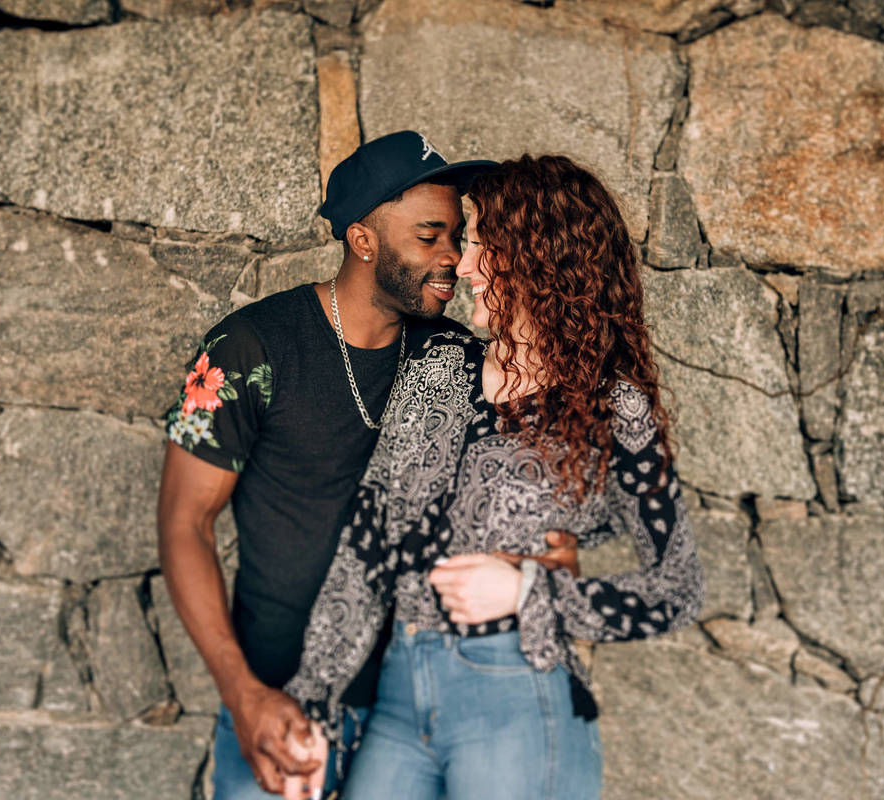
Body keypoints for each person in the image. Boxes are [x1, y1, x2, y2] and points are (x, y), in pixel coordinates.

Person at [156, 131, 579, 799]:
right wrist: (242, 694)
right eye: (430, 237)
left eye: (458, 236)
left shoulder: (463, 361)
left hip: (419, 711)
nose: (454, 257)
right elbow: (185, 524)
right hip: (281, 705)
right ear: (363, 241)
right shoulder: (249, 348)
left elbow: (541, 531)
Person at [283, 155, 705, 800]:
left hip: (516, 690)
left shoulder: (612, 408)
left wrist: (529, 590)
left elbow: (677, 589)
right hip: (399, 688)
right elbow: (368, 543)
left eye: (483, 247)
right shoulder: (438, 364)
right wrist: (313, 700)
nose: (464, 266)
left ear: (544, 259)